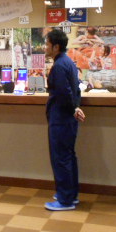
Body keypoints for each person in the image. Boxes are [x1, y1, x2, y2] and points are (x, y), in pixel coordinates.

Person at [44, 29, 86, 211]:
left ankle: (65, 200)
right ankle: (70, 194)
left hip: (61, 117)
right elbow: (75, 90)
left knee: (60, 158)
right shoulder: (68, 62)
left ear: (56, 46)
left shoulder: (60, 66)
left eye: (47, 44)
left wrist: (73, 108)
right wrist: (75, 107)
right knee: (68, 156)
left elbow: (64, 92)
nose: (45, 47)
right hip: (67, 118)